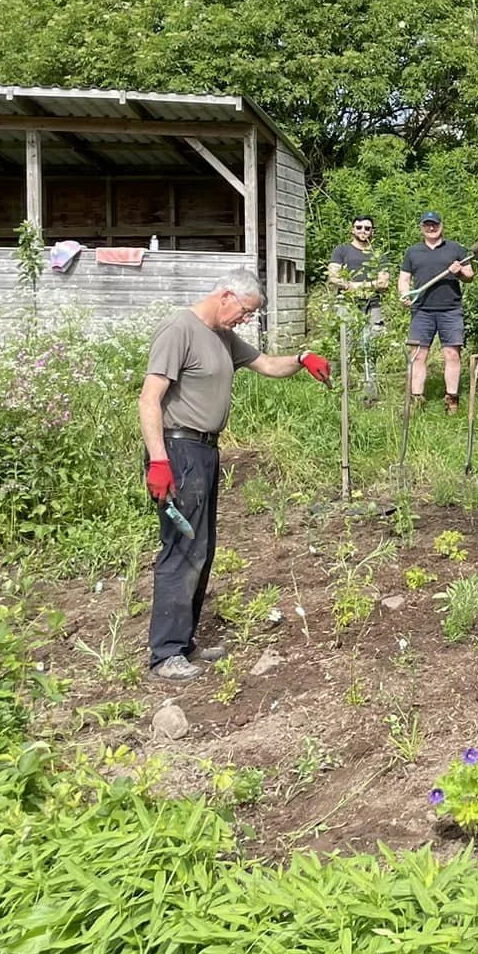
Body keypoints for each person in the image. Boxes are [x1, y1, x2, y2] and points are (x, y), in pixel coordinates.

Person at [139, 269, 329, 680]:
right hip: (178, 449)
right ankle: (165, 653)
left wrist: (301, 359)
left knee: (202, 547)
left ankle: (184, 644)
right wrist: (158, 461)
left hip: (205, 450)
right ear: (226, 296)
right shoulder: (180, 329)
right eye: (244, 312)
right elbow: (149, 398)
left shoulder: (222, 336)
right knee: (182, 548)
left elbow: (266, 365)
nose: (245, 320)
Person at [398, 211, 475, 415]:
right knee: (418, 355)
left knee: (452, 354)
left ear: (441, 225)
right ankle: (417, 399)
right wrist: (405, 294)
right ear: (422, 227)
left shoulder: (456, 249)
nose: (431, 228)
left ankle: (452, 399)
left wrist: (459, 271)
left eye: (435, 224)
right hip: (421, 310)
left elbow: (469, 275)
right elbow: (404, 279)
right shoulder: (412, 252)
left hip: (450, 309)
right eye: (427, 225)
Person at [326, 213, 391, 404]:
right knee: (347, 345)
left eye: (367, 228)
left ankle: (371, 394)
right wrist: (349, 286)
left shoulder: (378, 254)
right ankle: (342, 390)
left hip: (372, 304)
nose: (363, 231)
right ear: (353, 230)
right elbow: (333, 276)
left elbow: (384, 282)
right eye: (359, 227)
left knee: (371, 345)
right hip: (347, 303)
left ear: (372, 232)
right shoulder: (342, 250)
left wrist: (357, 285)